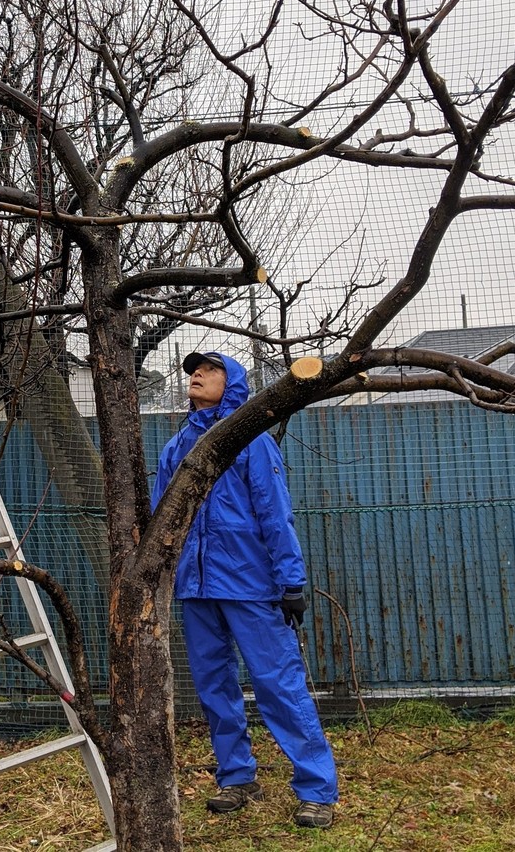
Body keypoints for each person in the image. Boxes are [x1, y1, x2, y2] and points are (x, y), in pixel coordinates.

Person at [151, 351, 338, 829]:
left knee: (279, 684)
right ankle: (237, 777)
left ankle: (317, 788)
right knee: (214, 688)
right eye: (194, 369)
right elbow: (161, 519)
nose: (196, 374)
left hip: (250, 584)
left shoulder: (250, 442)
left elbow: (276, 513)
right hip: (195, 588)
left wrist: (290, 580)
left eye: (209, 369)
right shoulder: (176, 448)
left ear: (232, 381)